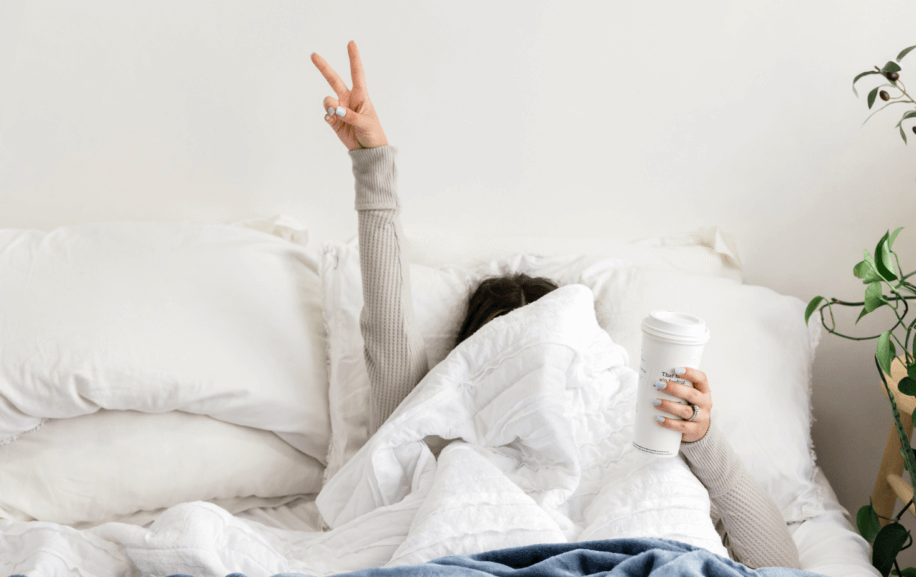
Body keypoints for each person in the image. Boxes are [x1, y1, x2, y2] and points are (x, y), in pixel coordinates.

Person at [311, 42, 800, 570]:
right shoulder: (435, 430)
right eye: (504, 342)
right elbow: (388, 334)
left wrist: (702, 440)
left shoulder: (643, 430)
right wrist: (372, 166)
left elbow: (779, 564)